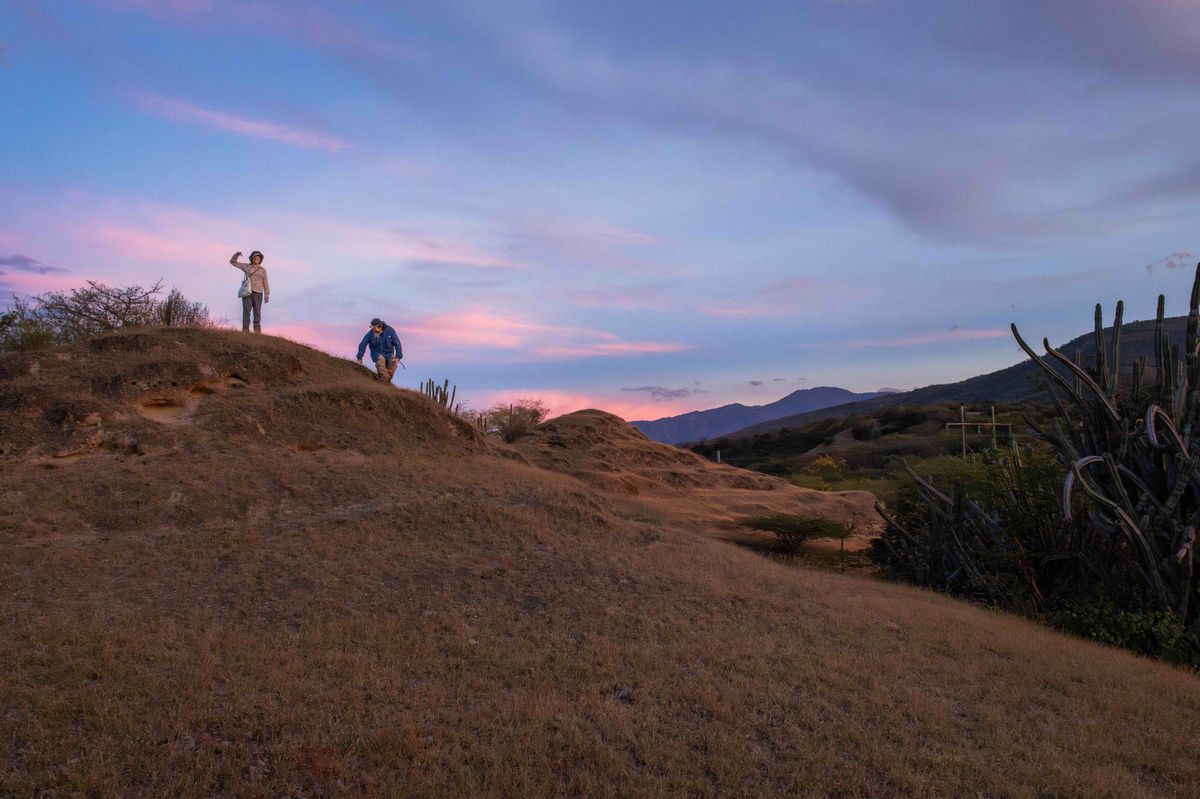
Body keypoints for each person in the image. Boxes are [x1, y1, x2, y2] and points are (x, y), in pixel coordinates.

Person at [229, 250, 270, 333]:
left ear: (260, 259)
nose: (256, 258)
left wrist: (267, 294)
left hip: (258, 293)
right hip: (247, 292)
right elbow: (233, 262)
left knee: (257, 313)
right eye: (254, 257)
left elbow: (265, 282)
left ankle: (257, 332)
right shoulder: (247, 267)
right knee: (246, 311)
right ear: (252, 258)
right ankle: (245, 331)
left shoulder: (263, 270)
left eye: (258, 257)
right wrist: (236, 255)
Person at [356, 318, 403, 382]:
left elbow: (397, 343)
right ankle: (384, 382)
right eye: (371, 328)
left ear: (380, 327)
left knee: (392, 366)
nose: (373, 330)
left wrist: (398, 356)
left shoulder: (390, 331)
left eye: (374, 328)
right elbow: (362, 344)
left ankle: (384, 382)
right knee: (380, 362)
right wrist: (359, 357)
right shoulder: (370, 334)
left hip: (389, 353)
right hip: (377, 353)